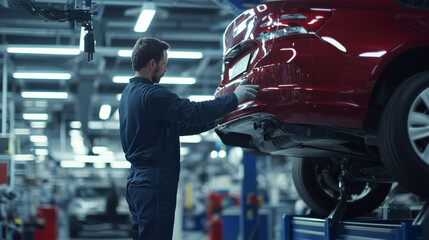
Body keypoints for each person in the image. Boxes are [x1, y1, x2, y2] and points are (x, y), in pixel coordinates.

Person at [119, 37, 259, 240]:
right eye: (164, 63)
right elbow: (192, 111)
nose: (165, 69)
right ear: (152, 63)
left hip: (137, 182)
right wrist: (234, 98)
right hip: (154, 181)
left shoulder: (128, 95)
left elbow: (177, 126)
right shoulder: (152, 94)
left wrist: (215, 119)